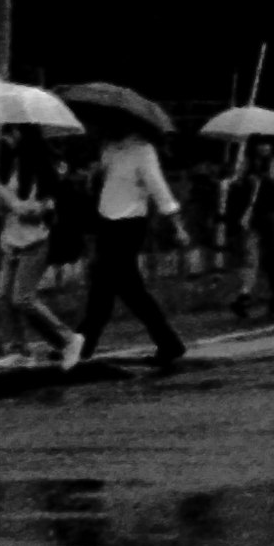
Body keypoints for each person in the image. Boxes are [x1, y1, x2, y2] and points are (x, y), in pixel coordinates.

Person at [75, 116, 188, 373]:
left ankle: (84, 343)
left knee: (119, 287)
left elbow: (159, 188)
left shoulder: (143, 150)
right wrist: (93, 175)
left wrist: (177, 225)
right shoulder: (109, 149)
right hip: (107, 222)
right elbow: (105, 184)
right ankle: (84, 344)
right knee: (108, 287)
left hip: (129, 224)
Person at [0, 132, 79, 367]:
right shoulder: (11, 168)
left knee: (23, 298)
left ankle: (68, 339)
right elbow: (5, 205)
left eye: (13, 133)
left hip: (34, 241)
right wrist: (1, 205)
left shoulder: (44, 171)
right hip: (11, 240)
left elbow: (46, 209)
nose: (9, 138)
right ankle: (18, 349)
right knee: (4, 297)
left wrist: (23, 207)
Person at [225, 140, 274, 320]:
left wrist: (268, 179)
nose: (264, 147)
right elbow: (235, 185)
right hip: (253, 216)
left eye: (267, 143)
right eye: (260, 143)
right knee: (252, 257)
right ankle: (245, 296)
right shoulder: (245, 164)